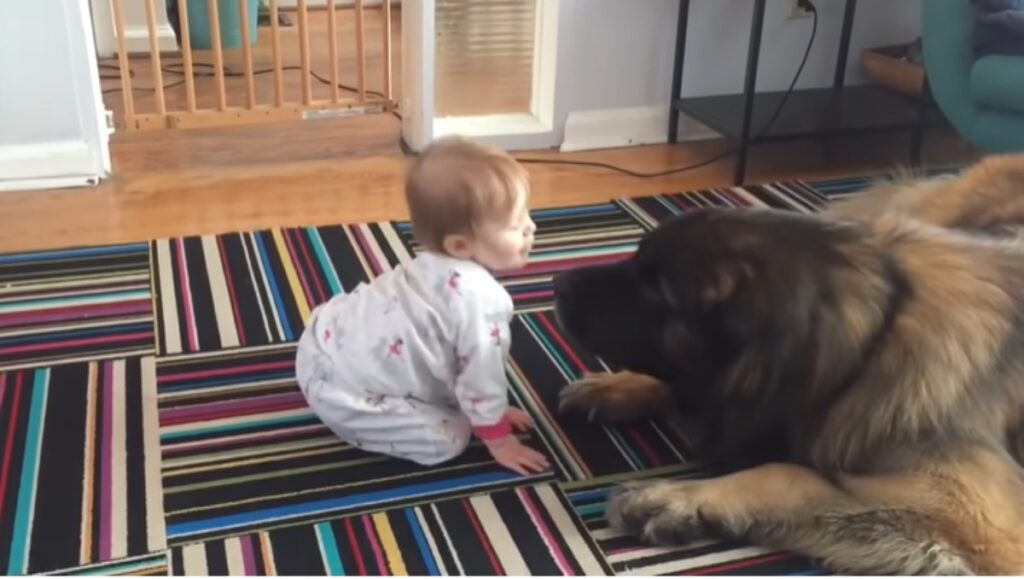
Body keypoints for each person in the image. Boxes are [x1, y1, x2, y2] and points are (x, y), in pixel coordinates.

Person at [295, 136, 550, 475]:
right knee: (449, 438)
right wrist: (498, 438)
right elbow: (480, 380)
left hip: (319, 345)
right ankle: (369, 423)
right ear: (459, 245)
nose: (531, 228)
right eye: (515, 226)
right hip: (350, 400)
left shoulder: (430, 263)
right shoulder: (483, 304)